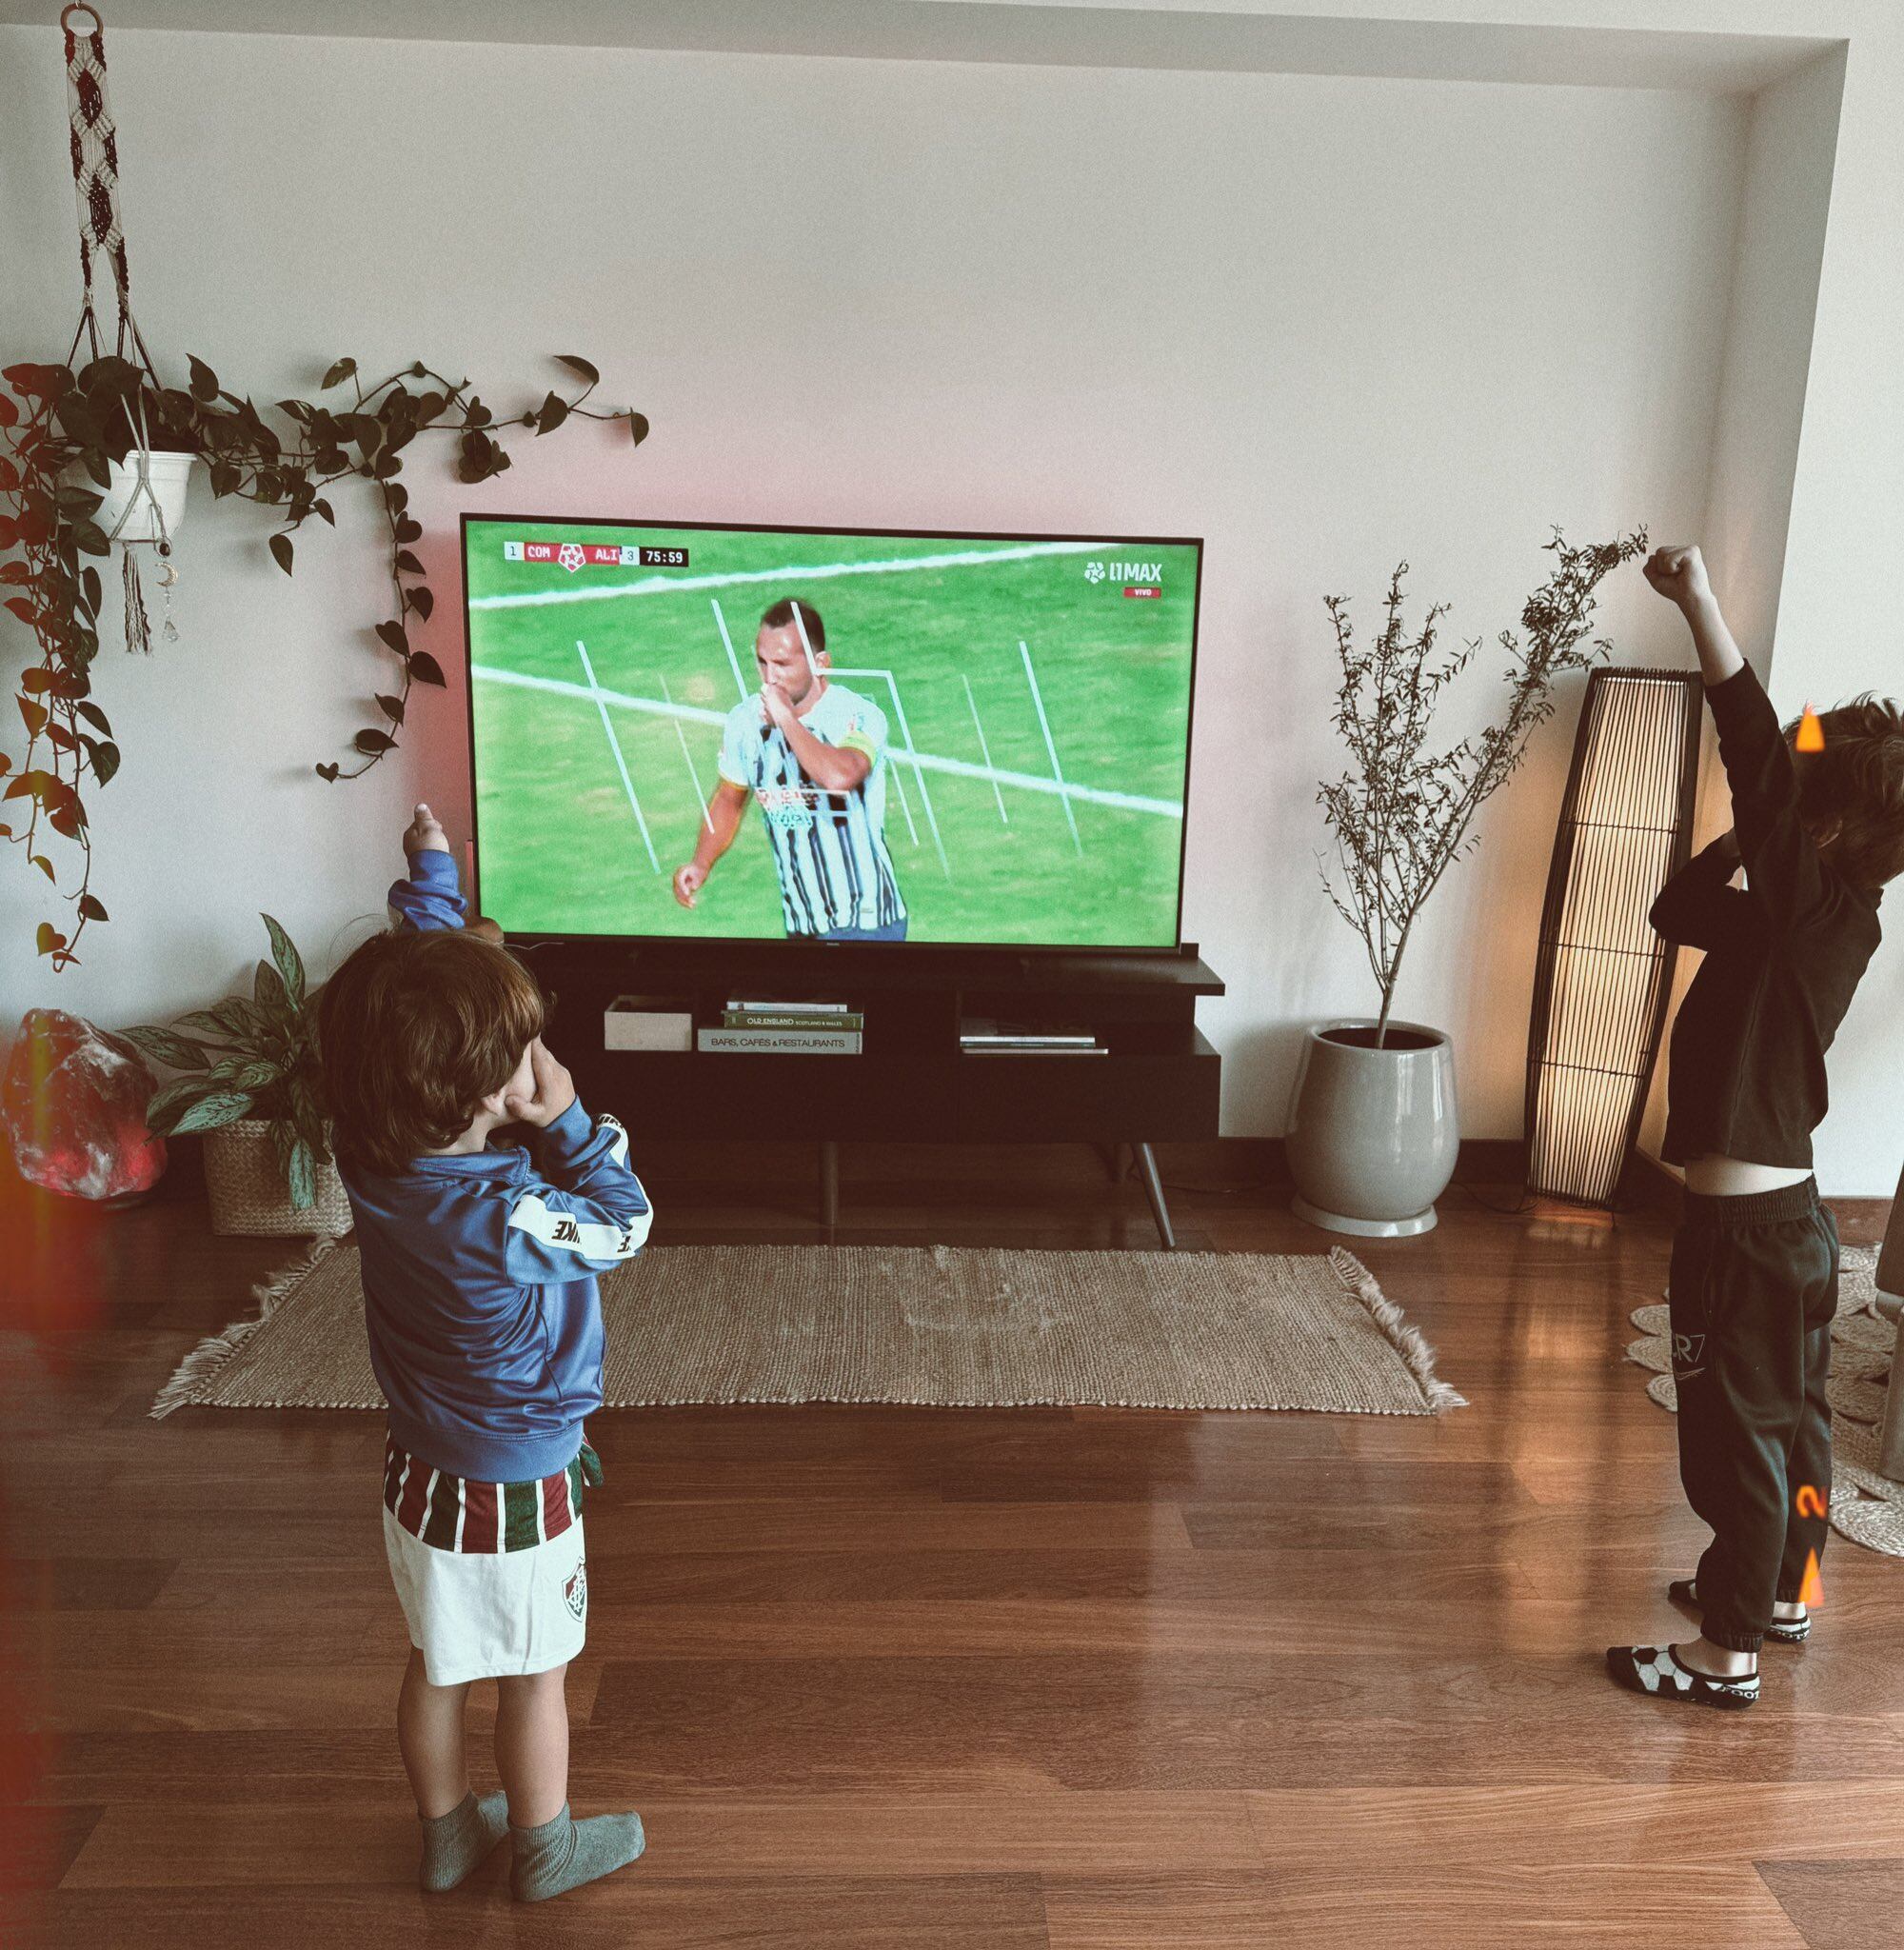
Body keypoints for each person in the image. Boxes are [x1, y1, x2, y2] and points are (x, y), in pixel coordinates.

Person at [318, 804, 655, 1896]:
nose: (536, 1059)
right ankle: (546, 1846)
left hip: (417, 1476)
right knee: (535, 1674)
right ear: (481, 1093)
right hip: (511, 1491)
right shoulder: (508, 1218)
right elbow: (624, 1225)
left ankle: (447, 1830)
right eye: (521, 1053)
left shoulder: (370, 1150)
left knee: (438, 1662)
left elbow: (414, 982)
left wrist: (430, 877)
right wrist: (566, 1123)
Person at [1607, 547, 1904, 1708]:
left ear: (1823, 834)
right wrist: (1761, 829)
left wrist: (1700, 604)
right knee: (1802, 1420)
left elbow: (1763, 766)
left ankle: (1724, 1652)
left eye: (1800, 801)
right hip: (1789, 1222)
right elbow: (1672, 906)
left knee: (1736, 1439)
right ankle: (1787, 1587)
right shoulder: (1818, 923)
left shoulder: (1815, 904)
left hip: (1740, 1235)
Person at [672, 597, 909, 939]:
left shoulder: (857, 715)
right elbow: (729, 798)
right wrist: (701, 862)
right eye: (762, 662)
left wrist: (784, 718)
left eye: (782, 664)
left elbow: (840, 777)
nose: (770, 678)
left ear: (821, 664)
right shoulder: (745, 722)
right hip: (802, 926)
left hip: (869, 925)